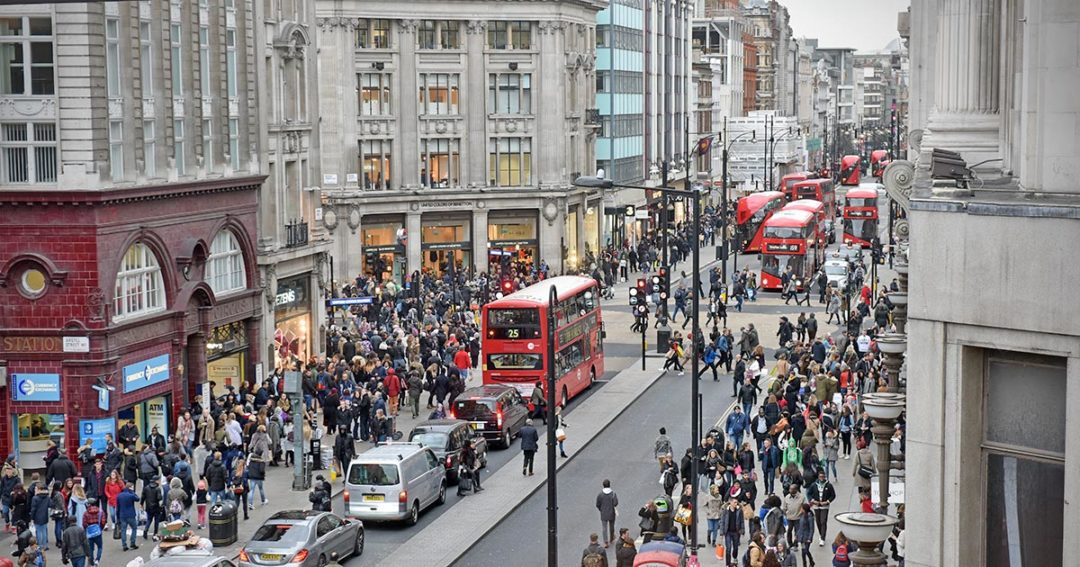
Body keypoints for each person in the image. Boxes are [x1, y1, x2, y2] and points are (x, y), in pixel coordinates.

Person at [805, 470, 836, 547]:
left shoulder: (829, 485)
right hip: (816, 506)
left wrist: (827, 501)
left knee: (823, 521)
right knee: (818, 521)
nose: (821, 478)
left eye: (823, 476)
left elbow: (833, 495)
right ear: (818, 477)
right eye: (820, 477)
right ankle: (821, 534)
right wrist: (813, 500)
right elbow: (808, 493)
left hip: (825, 506)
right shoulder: (814, 485)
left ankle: (822, 538)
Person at [719, 497, 744, 567]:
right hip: (728, 532)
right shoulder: (725, 511)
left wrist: (742, 530)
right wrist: (721, 532)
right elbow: (722, 521)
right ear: (730, 502)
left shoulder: (739, 510)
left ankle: (735, 557)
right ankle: (728, 563)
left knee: (735, 547)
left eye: (737, 502)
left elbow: (742, 521)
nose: (736, 504)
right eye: (734, 502)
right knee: (728, 548)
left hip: (736, 532)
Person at [115, 482, 139, 551]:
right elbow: (137, 499)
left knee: (123, 530)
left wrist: (118, 517)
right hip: (131, 514)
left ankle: (124, 545)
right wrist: (132, 492)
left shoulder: (119, 496)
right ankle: (132, 543)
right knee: (134, 528)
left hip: (122, 515)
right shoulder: (131, 495)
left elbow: (118, 507)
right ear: (130, 487)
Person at [80, 497, 105, 567]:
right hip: (98, 532)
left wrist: (87, 528)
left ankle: (91, 563)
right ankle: (97, 559)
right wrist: (100, 528)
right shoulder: (100, 512)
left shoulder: (86, 513)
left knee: (91, 548)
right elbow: (103, 521)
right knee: (100, 547)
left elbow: (84, 524)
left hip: (90, 532)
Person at [595, 479, 619, 548]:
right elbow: (615, 503)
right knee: (612, 526)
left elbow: (597, 504)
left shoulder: (600, 494)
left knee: (604, 527)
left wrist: (601, 509)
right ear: (609, 484)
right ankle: (611, 538)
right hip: (611, 512)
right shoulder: (613, 494)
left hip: (603, 513)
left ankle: (605, 542)